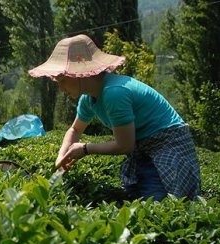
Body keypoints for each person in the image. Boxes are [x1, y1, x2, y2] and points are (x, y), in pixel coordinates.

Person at [29, 34, 201, 201]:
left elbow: (125, 145)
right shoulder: (88, 99)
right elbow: (75, 129)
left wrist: (85, 149)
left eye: (62, 80)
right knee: (137, 196)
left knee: (159, 203)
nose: (61, 87)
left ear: (78, 74)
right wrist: (62, 156)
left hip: (168, 144)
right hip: (142, 148)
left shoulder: (114, 93)